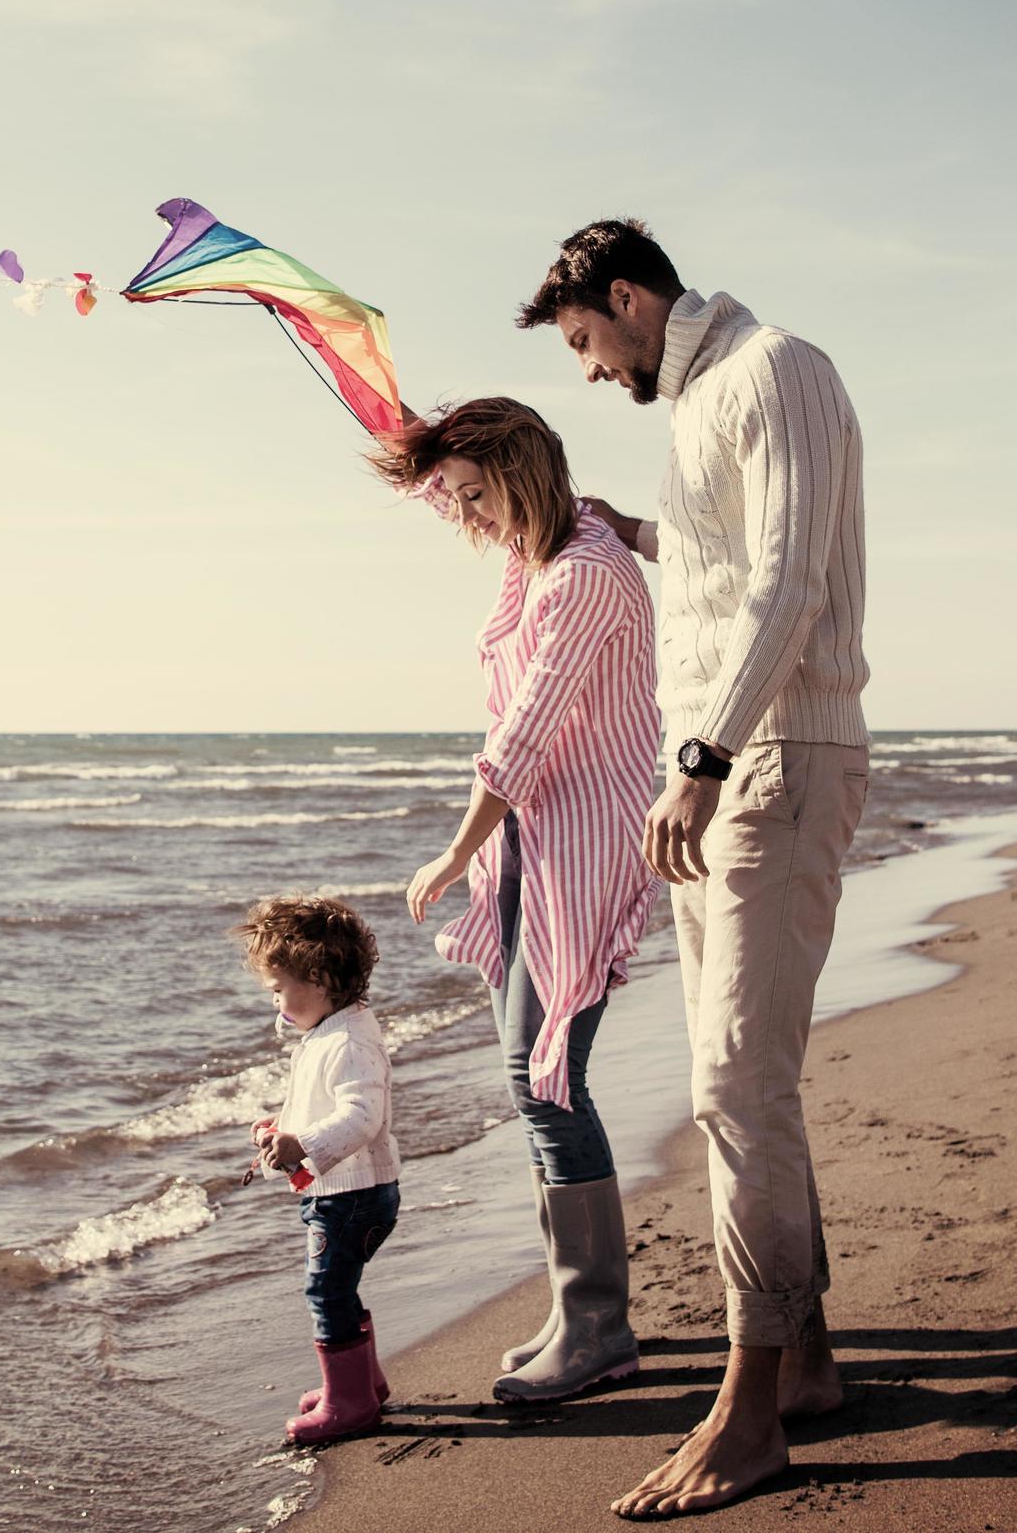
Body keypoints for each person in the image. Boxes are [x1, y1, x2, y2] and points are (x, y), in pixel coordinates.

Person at [518, 220, 868, 1520]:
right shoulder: (704, 401)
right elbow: (730, 571)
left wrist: (704, 758)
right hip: (720, 774)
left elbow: (793, 579)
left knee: (732, 1083)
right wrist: (643, 533)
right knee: (746, 1086)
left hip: (767, 764)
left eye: (586, 343)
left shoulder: (779, 369)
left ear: (628, 298)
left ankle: (750, 1407)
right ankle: (810, 1362)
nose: (592, 373)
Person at [369, 398, 661, 1404]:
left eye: (477, 495)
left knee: (549, 1082)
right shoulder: (540, 552)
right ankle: (576, 1311)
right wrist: (427, 453)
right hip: (536, 842)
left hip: (578, 842)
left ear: (522, 470)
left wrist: (454, 854)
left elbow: (528, 731)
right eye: (454, 501)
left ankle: (599, 1325)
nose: (466, 517)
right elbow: (465, 488)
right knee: (531, 1077)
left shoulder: (582, 574)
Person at [234, 895, 403, 1447]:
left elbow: (361, 1118)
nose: (277, 1007)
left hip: (353, 1196)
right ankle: (361, 1383)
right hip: (342, 1192)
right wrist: (281, 1125)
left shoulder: (351, 1039)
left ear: (320, 977)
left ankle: (349, 1401)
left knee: (326, 1290)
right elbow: (322, 1102)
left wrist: (301, 1143)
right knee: (339, 1287)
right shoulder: (329, 1031)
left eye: (281, 991)